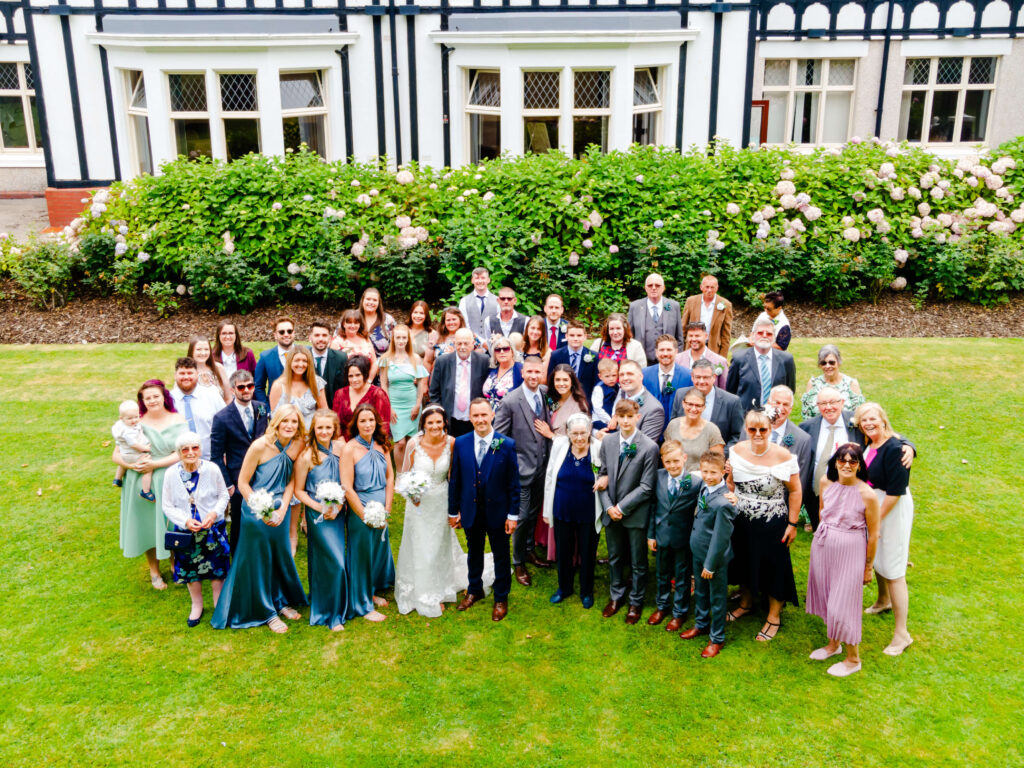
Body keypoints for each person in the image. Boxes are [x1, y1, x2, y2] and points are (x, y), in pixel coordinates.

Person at [210, 404, 308, 633]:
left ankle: (280, 600)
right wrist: (262, 510)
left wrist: (284, 507)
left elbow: (291, 480)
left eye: (294, 422)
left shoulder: (297, 444)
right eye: (285, 421)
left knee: (279, 555)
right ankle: (267, 611)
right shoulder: (259, 446)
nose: (289, 426)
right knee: (259, 559)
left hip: (280, 507)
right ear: (276, 422)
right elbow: (243, 483)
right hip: (255, 508)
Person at [396, 405, 493, 617]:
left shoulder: (451, 443)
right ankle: (425, 591)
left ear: (445, 423)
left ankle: (441, 585)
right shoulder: (414, 444)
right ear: (423, 424)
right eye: (430, 422)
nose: (435, 426)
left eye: (439, 422)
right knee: (421, 546)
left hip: (442, 500)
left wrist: (456, 507)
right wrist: (412, 494)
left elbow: (454, 475)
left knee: (439, 544)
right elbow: (404, 476)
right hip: (419, 505)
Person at [726, 410, 802, 642]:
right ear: (746, 429)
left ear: (771, 429)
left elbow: (795, 490)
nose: (757, 434)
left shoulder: (782, 456)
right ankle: (746, 603)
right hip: (741, 520)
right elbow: (730, 484)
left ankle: (774, 615)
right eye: (752, 429)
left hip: (772, 522)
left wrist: (792, 523)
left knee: (774, 567)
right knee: (744, 562)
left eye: (763, 430)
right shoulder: (737, 451)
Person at [806, 443, 880, 677]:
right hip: (824, 546)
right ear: (835, 462)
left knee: (843, 605)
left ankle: (853, 658)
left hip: (851, 551)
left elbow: (874, 533)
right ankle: (833, 645)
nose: (846, 465)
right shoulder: (826, 482)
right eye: (842, 460)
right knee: (828, 596)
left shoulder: (867, 494)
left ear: (859, 465)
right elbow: (821, 511)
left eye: (852, 461)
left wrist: (868, 567)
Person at [799, 387, 915, 532]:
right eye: (823, 403)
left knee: (849, 537)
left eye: (832, 402)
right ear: (817, 406)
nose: (828, 407)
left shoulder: (857, 421)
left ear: (842, 402)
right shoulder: (807, 427)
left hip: (851, 495)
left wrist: (908, 445)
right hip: (817, 494)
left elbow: (885, 433)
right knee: (822, 536)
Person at [449, 398, 521, 622]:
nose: (480, 420)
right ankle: (474, 589)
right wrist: (453, 511)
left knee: (500, 553)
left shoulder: (506, 444)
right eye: (475, 416)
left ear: (492, 415)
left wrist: (512, 515)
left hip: (498, 511)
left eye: (484, 415)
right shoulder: (461, 443)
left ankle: (501, 597)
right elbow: (456, 480)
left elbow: (513, 483)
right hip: (471, 509)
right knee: (474, 551)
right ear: (470, 418)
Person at [114, 379, 187, 590]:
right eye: (148, 398)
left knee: (172, 523)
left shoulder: (177, 419)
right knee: (147, 525)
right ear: (142, 401)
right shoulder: (135, 422)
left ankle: (175, 562)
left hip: (169, 475)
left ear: (164, 396)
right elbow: (117, 454)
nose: (153, 400)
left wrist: (155, 464)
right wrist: (131, 466)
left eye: (156, 396)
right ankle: (154, 570)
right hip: (140, 479)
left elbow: (181, 452)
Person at [855, 402, 915, 656]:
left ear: (883, 419)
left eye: (872, 419)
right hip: (874, 502)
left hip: (891, 507)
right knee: (877, 553)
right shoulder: (870, 443)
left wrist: (876, 519)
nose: (868, 423)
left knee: (894, 567)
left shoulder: (895, 448)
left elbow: (896, 492)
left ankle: (902, 634)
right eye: (863, 421)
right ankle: (883, 601)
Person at [596, 399, 659, 624]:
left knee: (637, 561)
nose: (625, 421)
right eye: (620, 417)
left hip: (635, 513)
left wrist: (621, 507)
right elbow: (601, 476)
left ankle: (636, 601)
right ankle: (616, 596)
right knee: (614, 557)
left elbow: (647, 486)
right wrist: (608, 506)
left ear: (637, 417)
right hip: (610, 509)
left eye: (629, 417)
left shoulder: (649, 447)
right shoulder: (608, 442)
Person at [161, 431, 231, 627]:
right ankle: (197, 605)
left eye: (195, 448)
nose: (190, 452)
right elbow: (166, 505)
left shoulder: (212, 469)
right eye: (185, 449)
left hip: (212, 529)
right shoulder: (170, 474)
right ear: (179, 452)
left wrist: (214, 514)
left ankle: (219, 603)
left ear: (200, 449)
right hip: (187, 532)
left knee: (217, 568)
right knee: (191, 569)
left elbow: (223, 495)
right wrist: (185, 521)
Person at [494, 355, 552, 585]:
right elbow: (498, 439)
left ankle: (529, 549)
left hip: (542, 468)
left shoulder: (546, 394)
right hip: (520, 470)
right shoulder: (510, 401)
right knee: (522, 515)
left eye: (537, 372)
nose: (533, 376)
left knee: (534, 512)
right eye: (529, 372)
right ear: (522, 373)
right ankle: (518, 562)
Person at [292, 409, 349, 631]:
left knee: (337, 560)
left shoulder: (342, 449)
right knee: (334, 561)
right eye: (320, 427)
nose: (324, 431)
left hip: (340, 511)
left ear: (334, 429)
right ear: (313, 429)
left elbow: (347, 480)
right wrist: (319, 507)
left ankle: (338, 602)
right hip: (319, 517)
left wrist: (340, 504)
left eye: (328, 427)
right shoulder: (307, 456)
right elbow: (299, 490)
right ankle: (331, 614)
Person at [680, 451, 738, 658]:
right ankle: (701, 624)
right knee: (701, 593)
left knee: (717, 597)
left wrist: (710, 565)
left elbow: (721, 538)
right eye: (705, 471)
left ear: (723, 471)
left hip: (714, 559)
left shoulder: (724, 502)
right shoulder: (704, 486)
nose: (708, 476)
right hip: (698, 550)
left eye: (713, 472)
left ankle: (717, 638)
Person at [543, 413, 602, 608]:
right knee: (564, 550)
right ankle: (564, 588)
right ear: (567, 432)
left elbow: (606, 474)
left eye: (582, 433)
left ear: (589, 431)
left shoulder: (598, 448)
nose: (578, 438)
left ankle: (586, 591)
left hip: (588, 511)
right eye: (574, 433)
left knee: (587, 552)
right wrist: (546, 510)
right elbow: (550, 476)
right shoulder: (560, 446)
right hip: (562, 509)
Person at [342, 403, 396, 615]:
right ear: (356, 423)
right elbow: (347, 487)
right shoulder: (349, 449)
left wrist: (387, 509)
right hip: (361, 507)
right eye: (363, 420)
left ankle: (372, 589)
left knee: (376, 549)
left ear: (377, 423)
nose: (367, 424)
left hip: (381, 504)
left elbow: (390, 477)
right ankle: (360, 600)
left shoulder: (382, 444)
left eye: (371, 420)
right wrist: (364, 515)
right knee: (361, 552)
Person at [210, 369, 269, 556]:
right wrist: (228, 485)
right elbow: (216, 456)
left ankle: (260, 555)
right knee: (239, 522)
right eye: (241, 387)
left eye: (250, 386)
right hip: (237, 479)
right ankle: (236, 560)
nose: (246, 390)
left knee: (263, 516)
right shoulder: (222, 418)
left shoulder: (261, 407)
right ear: (233, 389)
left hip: (262, 475)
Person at [646, 440, 703, 631]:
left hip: (683, 538)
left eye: (676, 461)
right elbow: (654, 506)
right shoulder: (659, 477)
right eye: (668, 462)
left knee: (682, 576)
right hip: (661, 536)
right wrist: (651, 535)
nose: (672, 465)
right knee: (661, 573)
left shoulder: (695, 483)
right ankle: (661, 607)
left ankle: (679, 612)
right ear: (662, 461)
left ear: (684, 458)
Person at [379, 323, 429, 471]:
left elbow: (421, 384)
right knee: (399, 442)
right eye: (398, 338)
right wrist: (390, 407)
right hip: (394, 403)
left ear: (408, 339)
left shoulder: (415, 359)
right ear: (393, 339)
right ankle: (400, 474)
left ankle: (410, 471)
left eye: (404, 338)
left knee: (411, 441)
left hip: (412, 402)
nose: (401, 341)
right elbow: (383, 384)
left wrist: (418, 404)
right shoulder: (385, 359)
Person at [427, 328, 489, 437]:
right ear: (454, 343)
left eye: (466, 343)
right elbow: (434, 393)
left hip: (475, 419)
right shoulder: (443, 362)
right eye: (459, 343)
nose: (463, 347)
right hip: (451, 418)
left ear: (473, 344)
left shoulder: (484, 361)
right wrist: (440, 415)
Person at [725, 316, 796, 411]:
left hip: (775, 416)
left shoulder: (786, 360)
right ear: (753, 335)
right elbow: (731, 391)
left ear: (774, 337)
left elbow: (789, 390)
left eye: (769, 334)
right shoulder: (739, 359)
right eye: (760, 333)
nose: (765, 336)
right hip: (746, 416)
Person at [672, 359, 744, 450]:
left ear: (714, 377)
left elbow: (737, 435)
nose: (701, 381)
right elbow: (674, 427)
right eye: (698, 377)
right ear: (692, 377)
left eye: (705, 377)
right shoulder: (680, 395)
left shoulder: (731, 402)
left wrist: (720, 456)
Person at [765, 385, 813, 517]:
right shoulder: (751, 428)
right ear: (768, 403)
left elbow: (800, 483)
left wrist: (790, 517)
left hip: (780, 509)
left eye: (785, 404)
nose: (780, 408)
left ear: (791, 409)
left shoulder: (802, 439)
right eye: (776, 402)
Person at [170, 356, 225, 460]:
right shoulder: (168, 400)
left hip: (211, 459)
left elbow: (227, 423)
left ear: (197, 374)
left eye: (190, 373)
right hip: (179, 461)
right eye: (182, 373)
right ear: (175, 375)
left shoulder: (212, 395)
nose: (186, 377)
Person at [628, 273, 686, 365]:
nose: (653, 288)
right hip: (642, 361)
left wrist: (677, 359)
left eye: (657, 285)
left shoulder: (673, 306)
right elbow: (629, 336)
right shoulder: (635, 307)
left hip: (668, 360)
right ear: (645, 288)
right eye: (650, 285)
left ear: (663, 288)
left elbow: (679, 338)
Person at [664, 387, 725, 473]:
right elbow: (667, 455)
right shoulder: (673, 425)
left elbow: (717, 464)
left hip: (701, 481)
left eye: (698, 405)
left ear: (704, 407)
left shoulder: (712, 430)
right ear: (683, 404)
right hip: (675, 477)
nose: (693, 409)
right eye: (690, 404)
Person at [642, 335, 693, 434]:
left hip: (678, 432)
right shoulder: (644, 374)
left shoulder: (688, 376)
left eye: (669, 350)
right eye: (661, 350)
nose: (665, 354)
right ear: (656, 352)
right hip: (650, 430)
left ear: (676, 351)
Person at [332, 354, 391, 438]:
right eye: (350, 376)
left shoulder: (378, 394)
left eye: (358, 375)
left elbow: (383, 426)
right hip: (344, 445)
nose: (354, 380)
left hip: (369, 444)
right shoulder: (340, 394)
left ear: (365, 374)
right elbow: (335, 423)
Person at [270, 347, 328, 430]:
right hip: (287, 434)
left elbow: (324, 412)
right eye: (297, 360)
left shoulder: (316, 382)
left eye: (305, 361)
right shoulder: (278, 385)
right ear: (290, 362)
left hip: (310, 435)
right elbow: (274, 418)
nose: (301, 364)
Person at [800, 344, 865, 419]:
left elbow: (858, 415)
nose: (827, 366)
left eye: (831, 362)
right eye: (823, 363)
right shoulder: (813, 384)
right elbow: (807, 416)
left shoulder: (851, 384)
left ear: (839, 362)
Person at [681, 275, 733, 358]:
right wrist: (681, 351)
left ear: (717, 288)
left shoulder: (726, 305)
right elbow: (683, 328)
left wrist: (722, 358)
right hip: (692, 346)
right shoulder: (691, 301)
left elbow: (726, 335)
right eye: (707, 287)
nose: (709, 290)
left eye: (712, 287)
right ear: (701, 287)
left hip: (713, 348)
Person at [111, 400, 153, 500]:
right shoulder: (129, 431)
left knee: (122, 464)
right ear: (121, 418)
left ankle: (117, 479)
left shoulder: (119, 426)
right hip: (134, 454)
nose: (134, 420)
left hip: (124, 454)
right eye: (130, 418)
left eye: (136, 417)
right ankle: (145, 491)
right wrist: (145, 448)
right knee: (148, 467)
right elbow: (134, 444)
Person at [613, 360, 664, 442]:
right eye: (622, 375)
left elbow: (643, 447)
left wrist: (609, 440)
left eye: (630, 374)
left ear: (641, 376)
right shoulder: (615, 394)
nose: (625, 378)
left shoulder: (654, 409)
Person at [549, 320, 598, 405]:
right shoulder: (555, 355)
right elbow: (550, 382)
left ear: (585, 337)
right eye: (572, 335)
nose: (575, 339)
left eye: (579, 335)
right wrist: (554, 405)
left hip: (585, 402)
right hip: (561, 401)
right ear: (566, 336)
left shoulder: (594, 357)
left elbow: (596, 384)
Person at [539, 364, 590, 439]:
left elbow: (578, 438)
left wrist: (550, 435)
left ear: (572, 382)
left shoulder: (579, 406)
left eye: (565, 380)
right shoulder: (550, 397)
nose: (561, 384)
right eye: (557, 380)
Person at [254, 316, 297, 404]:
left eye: (289, 331)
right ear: (275, 335)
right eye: (281, 332)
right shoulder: (265, 357)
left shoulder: (306, 353)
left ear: (294, 333)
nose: (286, 334)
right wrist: (267, 409)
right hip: (276, 409)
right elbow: (259, 387)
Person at [308, 320, 349, 410]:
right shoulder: (303, 358)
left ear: (330, 338)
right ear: (310, 338)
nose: (321, 339)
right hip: (308, 411)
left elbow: (345, 387)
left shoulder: (341, 358)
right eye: (317, 335)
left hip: (333, 410)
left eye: (324, 335)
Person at [676, 322, 728, 389]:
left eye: (697, 336)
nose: (693, 339)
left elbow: (724, 389)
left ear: (706, 336)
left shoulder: (720, 361)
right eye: (690, 336)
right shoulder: (677, 359)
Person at [330, 309, 378, 382]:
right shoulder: (336, 342)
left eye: (356, 323)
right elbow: (332, 368)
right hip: (345, 383)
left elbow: (374, 362)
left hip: (367, 382)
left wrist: (369, 381)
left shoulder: (366, 339)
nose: (353, 326)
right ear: (343, 324)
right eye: (349, 323)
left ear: (359, 324)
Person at [481, 335, 522, 413]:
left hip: (508, 418)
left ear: (512, 352)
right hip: (488, 418)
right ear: (494, 354)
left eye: (506, 349)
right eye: (498, 350)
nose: (502, 352)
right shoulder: (491, 370)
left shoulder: (520, 370)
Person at [187, 336, 231, 404]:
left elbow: (228, 398)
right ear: (192, 351)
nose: (203, 353)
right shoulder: (186, 372)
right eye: (199, 349)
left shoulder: (219, 368)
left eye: (206, 349)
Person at [458, 266, 499, 338]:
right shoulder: (463, 301)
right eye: (477, 278)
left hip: (493, 344)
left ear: (488, 280)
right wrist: (478, 342)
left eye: (483, 278)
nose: (480, 281)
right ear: (472, 280)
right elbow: (464, 325)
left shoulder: (498, 301)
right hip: (471, 343)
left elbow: (500, 325)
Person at [359, 286, 396, 357]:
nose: (371, 302)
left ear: (379, 303)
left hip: (383, 362)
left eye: (374, 300)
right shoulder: (352, 318)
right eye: (368, 299)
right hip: (355, 364)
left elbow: (397, 343)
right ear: (363, 300)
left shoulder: (388, 320)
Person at [591, 358, 619, 432]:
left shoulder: (617, 387)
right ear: (600, 376)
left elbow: (617, 402)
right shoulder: (599, 389)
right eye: (607, 376)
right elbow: (597, 408)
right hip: (600, 419)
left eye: (614, 375)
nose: (611, 379)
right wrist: (609, 420)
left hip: (613, 418)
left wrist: (614, 418)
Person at [408, 301, 436, 370]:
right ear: (411, 313)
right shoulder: (403, 330)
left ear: (426, 315)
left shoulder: (431, 334)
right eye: (415, 312)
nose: (418, 316)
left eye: (421, 313)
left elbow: (430, 361)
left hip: (421, 373)